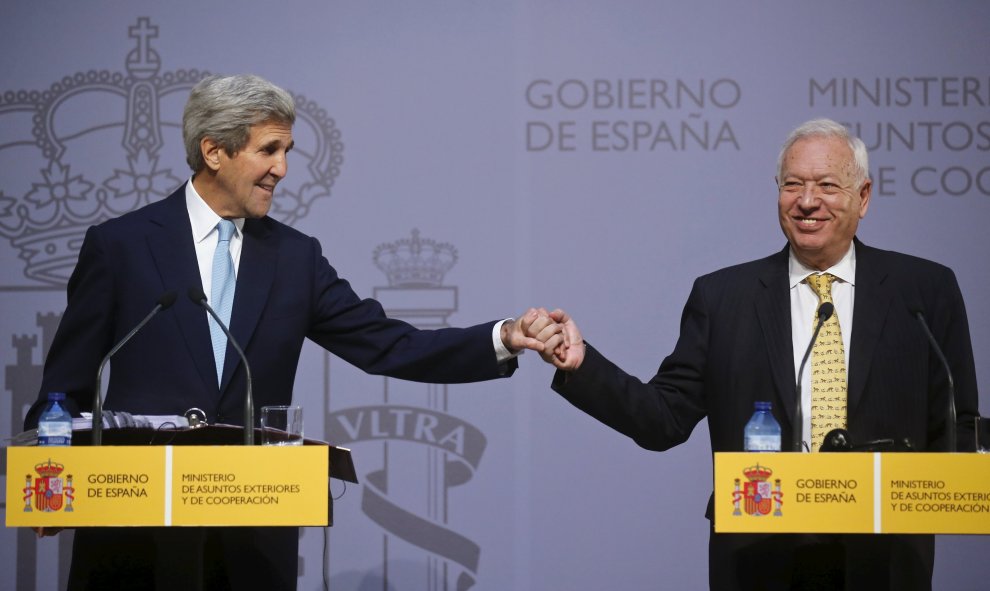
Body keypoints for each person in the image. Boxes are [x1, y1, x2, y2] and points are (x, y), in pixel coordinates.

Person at [24, 74, 563, 591]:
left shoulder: (294, 258)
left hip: (251, 540)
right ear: (215, 152)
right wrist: (46, 486)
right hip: (135, 531)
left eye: (287, 151)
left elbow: (389, 344)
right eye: (269, 149)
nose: (282, 169)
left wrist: (505, 336)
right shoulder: (122, 246)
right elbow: (64, 386)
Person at [529, 119, 979, 591]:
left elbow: (957, 427)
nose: (807, 202)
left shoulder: (924, 291)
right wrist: (581, 365)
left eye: (827, 185)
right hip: (760, 556)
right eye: (792, 185)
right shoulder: (723, 297)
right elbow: (660, 419)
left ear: (863, 197)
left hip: (884, 560)